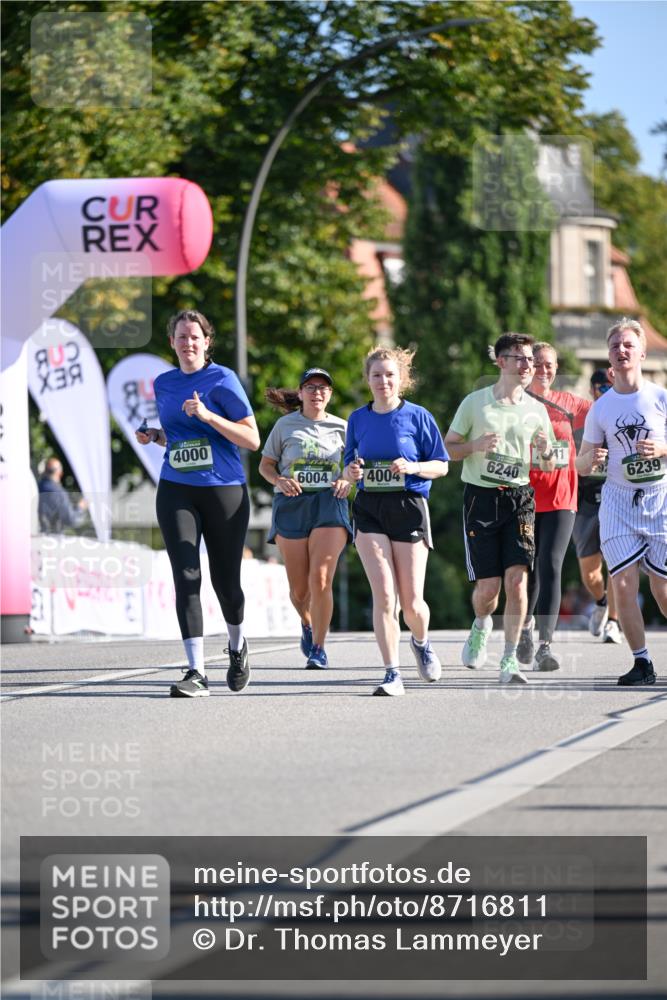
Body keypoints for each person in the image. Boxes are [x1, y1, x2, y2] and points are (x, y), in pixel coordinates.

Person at [136, 309, 260, 698]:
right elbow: (179, 439)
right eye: (181, 337)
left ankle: (237, 645)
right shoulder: (164, 383)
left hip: (224, 489)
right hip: (177, 487)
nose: (188, 343)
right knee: (186, 577)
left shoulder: (222, 379)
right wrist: (155, 435)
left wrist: (208, 416)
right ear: (171, 343)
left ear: (207, 343)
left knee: (226, 582)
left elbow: (252, 439)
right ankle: (196, 672)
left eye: (195, 337)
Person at [445, 333, 556, 683]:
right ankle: (481, 625)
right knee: (489, 589)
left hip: (520, 498)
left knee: (518, 581)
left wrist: (545, 451)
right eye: (520, 358)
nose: (528, 366)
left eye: (531, 360)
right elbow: (448, 449)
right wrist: (474, 445)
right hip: (481, 498)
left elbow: (550, 465)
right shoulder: (475, 403)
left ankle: (509, 659)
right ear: (500, 361)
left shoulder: (537, 410)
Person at [344, 346, 448, 697]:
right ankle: (391, 673)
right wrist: (351, 472)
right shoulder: (357, 418)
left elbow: (442, 464)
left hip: (408, 505)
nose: (383, 381)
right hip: (369, 507)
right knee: (385, 596)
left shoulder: (418, 417)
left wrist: (413, 467)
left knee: (412, 603)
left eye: (390, 375)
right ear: (368, 379)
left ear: (401, 379)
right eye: (377, 375)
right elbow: (348, 466)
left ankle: (421, 642)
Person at [579, 317, 667, 685]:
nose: (621, 350)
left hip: (659, 498)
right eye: (615, 346)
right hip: (617, 501)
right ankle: (641, 662)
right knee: (624, 584)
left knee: (662, 588)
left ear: (642, 353)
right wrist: (592, 460)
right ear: (609, 357)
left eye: (628, 345)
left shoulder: (661, 397)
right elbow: (581, 464)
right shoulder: (601, 407)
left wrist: (662, 448)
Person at [259, 367, 352, 669]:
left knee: (321, 578)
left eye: (323, 388)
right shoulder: (285, 426)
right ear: (300, 394)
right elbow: (266, 466)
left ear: (330, 395)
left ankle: (319, 648)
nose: (317, 393)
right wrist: (278, 481)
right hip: (292, 503)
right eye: (310, 387)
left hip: (329, 503)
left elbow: (355, 467)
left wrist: (347, 480)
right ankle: (307, 622)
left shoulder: (343, 427)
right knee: (300, 591)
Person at [517, 343, 591, 670]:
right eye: (538, 365)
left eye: (550, 365)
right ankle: (524, 629)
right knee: (527, 569)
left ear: (556, 368)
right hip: (525, 498)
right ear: (528, 367)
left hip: (562, 498)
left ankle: (545, 646)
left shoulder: (569, 403)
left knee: (551, 565)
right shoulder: (516, 404)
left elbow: (607, 413)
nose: (544, 370)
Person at [573, 368, 622, 644]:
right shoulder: (584, 420)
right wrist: (589, 457)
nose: (606, 390)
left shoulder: (623, 415)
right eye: (601, 387)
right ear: (592, 390)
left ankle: (613, 622)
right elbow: (574, 464)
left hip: (615, 496)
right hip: (586, 501)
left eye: (609, 386)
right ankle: (601, 601)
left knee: (617, 564)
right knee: (590, 573)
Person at [37, 457, 87, 533]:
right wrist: (80, 507)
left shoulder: (37, 487)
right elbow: (71, 519)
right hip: (53, 538)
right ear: (60, 474)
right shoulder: (58, 492)